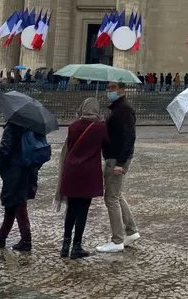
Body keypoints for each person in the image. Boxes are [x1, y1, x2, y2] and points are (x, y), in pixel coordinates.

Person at [59, 98, 109, 259]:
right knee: (83, 211)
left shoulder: (73, 126)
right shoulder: (101, 127)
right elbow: (106, 144)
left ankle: (65, 246)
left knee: (71, 209)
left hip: (72, 171)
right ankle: (76, 247)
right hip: (88, 173)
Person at [97, 81, 140, 253]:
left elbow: (129, 137)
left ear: (122, 90)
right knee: (117, 195)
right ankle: (131, 231)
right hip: (114, 157)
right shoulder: (117, 109)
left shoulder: (124, 110)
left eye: (113, 88)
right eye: (108, 88)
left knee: (111, 198)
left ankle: (117, 240)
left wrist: (120, 164)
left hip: (116, 159)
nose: (109, 91)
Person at [0, 121, 39, 252]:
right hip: (28, 169)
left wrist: (1, 167)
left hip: (14, 170)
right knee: (12, 203)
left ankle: (26, 240)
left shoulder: (13, 126)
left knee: (19, 204)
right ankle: (1, 236)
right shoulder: (34, 126)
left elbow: (5, 150)